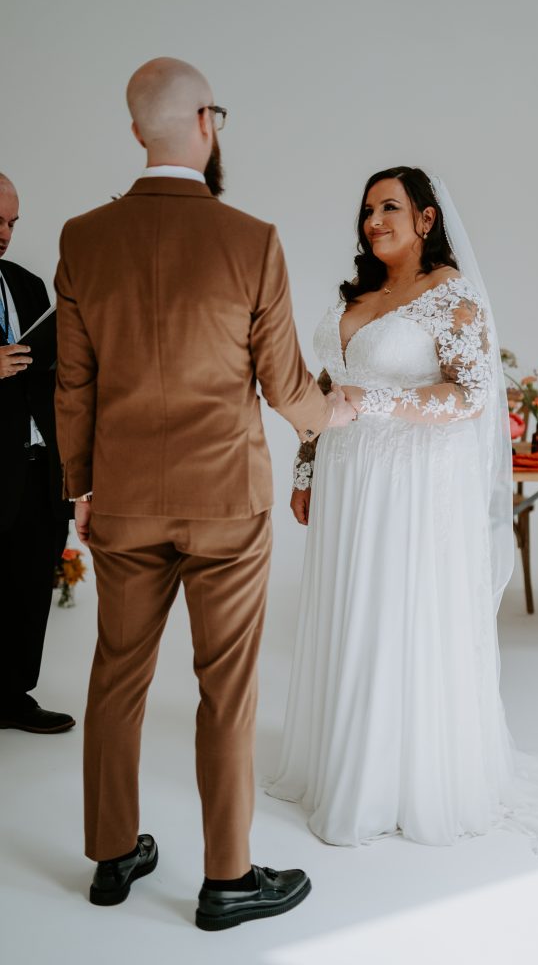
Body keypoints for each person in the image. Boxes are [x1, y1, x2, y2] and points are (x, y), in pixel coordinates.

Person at [54, 57, 354, 930]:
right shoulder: (251, 238)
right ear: (206, 123)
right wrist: (330, 416)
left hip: (123, 501)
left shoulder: (81, 237)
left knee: (115, 678)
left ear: (137, 131)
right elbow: (285, 384)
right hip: (226, 501)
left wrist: (80, 486)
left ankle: (112, 857)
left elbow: (72, 386)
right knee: (227, 689)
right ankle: (228, 880)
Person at [267, 166, 515, 845]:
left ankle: (396, 779)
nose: (374, 220)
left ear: (426, 220)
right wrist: (306, 466)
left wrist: (375, 404)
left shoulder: (453, 298)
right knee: (350, 605)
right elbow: (327, 383)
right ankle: (340, 757)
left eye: (390, 208)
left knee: (395, 609)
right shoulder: (360, 294)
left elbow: (470, 395)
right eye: (368, 209)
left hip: (409, 484)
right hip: (347, 478)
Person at [0, 173, 74, 735]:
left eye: (12, 222)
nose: (5, 233)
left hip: (34, 465)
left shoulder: (28, 284)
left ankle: (11, 696)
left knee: (27, 588)